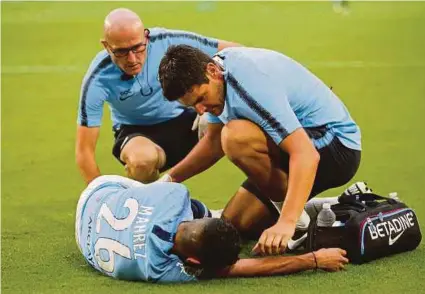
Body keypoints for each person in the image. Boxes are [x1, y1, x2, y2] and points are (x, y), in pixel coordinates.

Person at [158, 45, 362, 256]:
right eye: (193, 106)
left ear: (212, 71)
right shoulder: (217, 79)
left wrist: (287, 222)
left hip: (334, 145)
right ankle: (322, 207)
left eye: (201, 99)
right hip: (293, 145)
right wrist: (167, 181)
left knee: (235, 137)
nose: (200, 110)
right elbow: (213, 142)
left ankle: (296, 219)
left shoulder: (249, 83)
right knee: (236, 223)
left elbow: (306, 154)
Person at [75, 175, 349, 283]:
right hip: (98, 199)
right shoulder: (162, 269)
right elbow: (240, 269)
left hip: (98, 194)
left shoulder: (173, 196)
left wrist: (314, 259)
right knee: (203, 209)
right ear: (193, 261)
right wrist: (312, 260)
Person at [76, 8, 240, 185]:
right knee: (141, 162)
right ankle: (148, 210)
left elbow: (235, 52)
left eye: (138, 48)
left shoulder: (167, 41)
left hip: (189, 120)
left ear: (146, 36)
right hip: (137, 132)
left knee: (235, 130)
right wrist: (99, 199)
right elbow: (84, 151)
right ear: (106, 46)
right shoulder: (98, 77)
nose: (132, 59)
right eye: (121, 51)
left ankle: (263, 197)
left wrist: (211, 110)